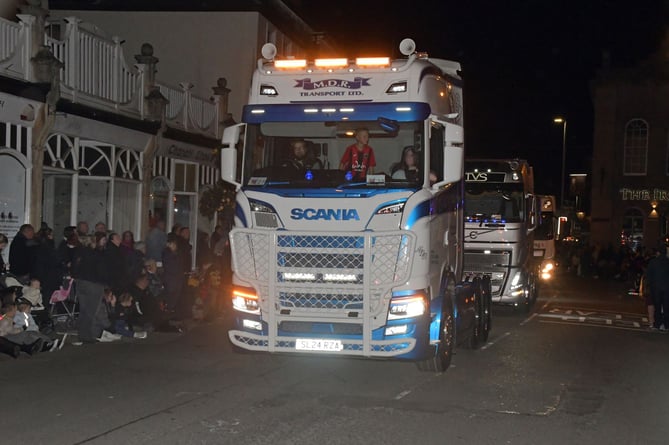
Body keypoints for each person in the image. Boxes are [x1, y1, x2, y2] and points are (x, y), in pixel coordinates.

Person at [645, 243, 669, 331]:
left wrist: (650, 286)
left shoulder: (653, 262)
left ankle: (657, 324)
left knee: (657, 307)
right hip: (667, 288)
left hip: (656, 288)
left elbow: (649, 276)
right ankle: (666, 325)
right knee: (666, 307)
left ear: (658, 252)